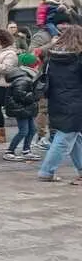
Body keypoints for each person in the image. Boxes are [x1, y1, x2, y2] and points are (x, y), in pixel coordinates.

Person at [36, 26, 82, 183]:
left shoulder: (51, 58)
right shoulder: (78, 58)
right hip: (76, 102)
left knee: (75, 136)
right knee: (64, 137)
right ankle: (46, 171)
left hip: (56, 101)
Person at [3, 52, 43, 162]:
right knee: (23, 131)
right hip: (21, 108)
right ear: (32, 65)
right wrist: (36, 94)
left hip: (26, 108)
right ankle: (10, 151)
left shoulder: (27, 76)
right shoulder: (24, 79)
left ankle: (26, 150)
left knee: (32, 129)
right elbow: (20, 95)